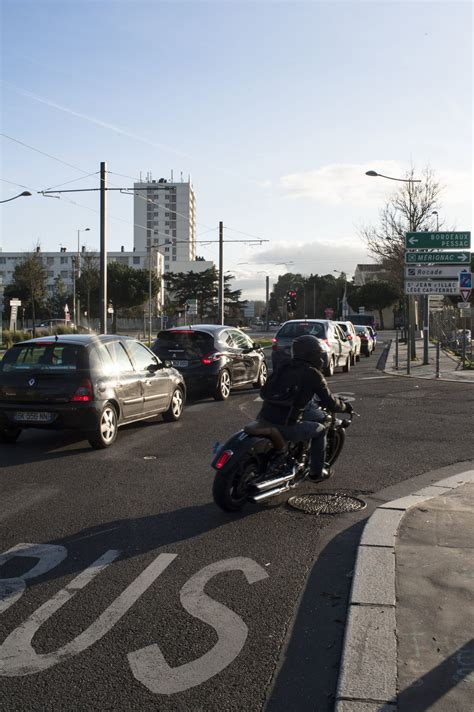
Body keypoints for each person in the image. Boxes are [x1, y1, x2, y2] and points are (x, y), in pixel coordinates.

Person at [258, 335, 353, 481]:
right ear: (313, 355)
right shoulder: (312, 374)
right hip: (285, 424)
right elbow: (331, 403)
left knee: (307, 419)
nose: (321, 358)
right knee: (320, 430)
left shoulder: (284, 365)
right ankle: (316, 472)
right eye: (318, 354)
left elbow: (264, 391)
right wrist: (346, 407)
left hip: (263, 418)